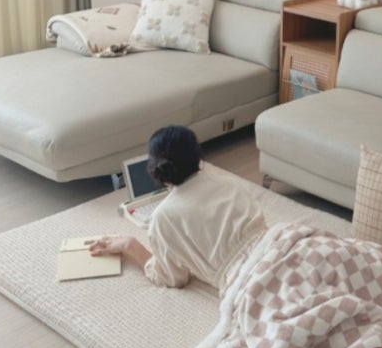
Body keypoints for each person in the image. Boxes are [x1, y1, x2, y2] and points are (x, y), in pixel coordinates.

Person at [90, 125, 267, 292]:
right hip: (276, 244)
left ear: (156, 170)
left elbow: (172, 278)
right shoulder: (229, 182)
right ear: (198, 157)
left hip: (248, 280)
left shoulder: (164, 217)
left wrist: (130, 245)